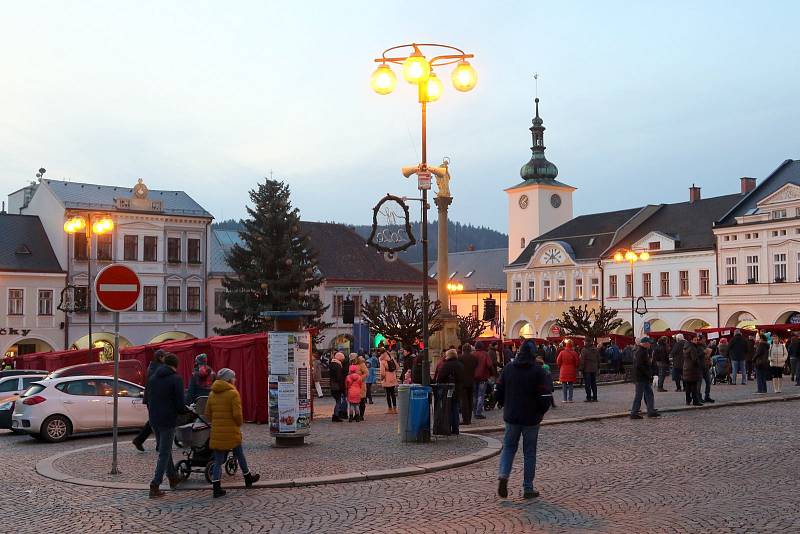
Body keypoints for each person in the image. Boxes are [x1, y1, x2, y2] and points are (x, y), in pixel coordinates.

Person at [495, 340, 552, 499]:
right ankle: (528, 487)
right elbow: (546, 395)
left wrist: (501, 402)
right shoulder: (538, 371)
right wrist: (541, 411)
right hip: (531, 418)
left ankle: (503, 475)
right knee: (529, 452)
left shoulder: (508, 369)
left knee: (508, 448)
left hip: (512, 415)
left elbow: (498, 389)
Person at [205, 368, 260, 498]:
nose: (235, 380)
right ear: (229, 379)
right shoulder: (233, 393)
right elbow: (237, 415)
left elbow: (207, 414)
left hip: (217, 432)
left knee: (218, 460)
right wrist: (238, 423)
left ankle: (216, 487)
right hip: (231, 431)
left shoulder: (212, 393)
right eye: (233, 377)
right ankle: (247, 478)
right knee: (239, 454)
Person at [146, 352, 189, 498]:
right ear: (176, 365)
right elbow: (179, 403)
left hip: (154, 419)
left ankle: (173, 477)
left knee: (165, 449)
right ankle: (155, 484)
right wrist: (185, 411)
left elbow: (149, 398)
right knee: (164, 452)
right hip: (168, 419)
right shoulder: (175, 379)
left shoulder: (153, 378)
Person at [132, 349, 165, 452]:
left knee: (154, 421)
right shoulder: (156, 369)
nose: (165, 359)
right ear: (160, 357)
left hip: (152, 399)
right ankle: (158, 444)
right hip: (154, 399)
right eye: (164, 356)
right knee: (156, 421)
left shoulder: (154, 367)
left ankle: (140, 440)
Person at [434, 348, 465, 435]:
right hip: (458, 390)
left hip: (448, 390)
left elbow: (440, 378)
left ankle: (447, 427)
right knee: (455, 409)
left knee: (447, 409)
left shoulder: (446, 365)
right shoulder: (460, 365)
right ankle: (456, 428)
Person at [630, 337, 659, 419]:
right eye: (649, 343)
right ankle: (634, 412)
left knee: (649, 394)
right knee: (639, 395)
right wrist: (648, 373)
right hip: (641, 377)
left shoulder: (643, 351)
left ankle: (651, 411)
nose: (650, 344)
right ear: (645, 343)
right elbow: (639, 365)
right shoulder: (641, 352)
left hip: (643, 377)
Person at [472, 341, 494, 420]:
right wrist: (491, 374)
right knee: (481, 395)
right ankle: (478, 412)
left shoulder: (473, 354)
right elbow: (489, 365)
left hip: (473, 377)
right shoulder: (485, 354)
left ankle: (474, 411)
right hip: (483, 377)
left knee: (474, 395)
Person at [458, 344, 478, 425]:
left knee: (464, 402)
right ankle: (469, 418)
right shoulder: (474, 358)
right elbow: (476, 366)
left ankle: (465, 419)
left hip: (462, 382)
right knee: (470, 401)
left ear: (463, 349)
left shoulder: (460, 358)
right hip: (471, 381)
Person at [682, 335, 705, 406]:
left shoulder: (686, 347)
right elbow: (694, 359)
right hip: (692, 369)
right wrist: (699, 364)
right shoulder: (692, 348)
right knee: (694, 386)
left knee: (688, 386)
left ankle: (688, 400)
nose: (696, 341)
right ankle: (695, 401)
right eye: (695, 340)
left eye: (697, 340)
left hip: (686, 368)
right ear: (691, 340)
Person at [380, 349, 399, 414]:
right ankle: (395, 409)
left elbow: (382, 372)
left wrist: (381, 378)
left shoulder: (382, 361)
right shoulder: (391, 358)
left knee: (388, 394)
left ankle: (389, 409)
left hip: (387, 378)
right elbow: (397, 367)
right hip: (393, 377)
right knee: (393, 394)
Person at [328, 352, 346, 422]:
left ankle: (336, 415)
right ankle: (335, 415)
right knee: (338, 401)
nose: (342, 361)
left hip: (332, 385)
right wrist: (342, 387)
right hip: (337, 386)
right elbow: (339, 378)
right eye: (342, 360)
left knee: (337, 401)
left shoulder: (332, 364)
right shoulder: (338, 366)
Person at [700, 339, 716, 404]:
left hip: (706, 366)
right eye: (703, 340)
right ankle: (699, 397)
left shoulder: (705, 346)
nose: (704, 341)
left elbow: (708, 355)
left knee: (708, 381)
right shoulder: (697, 347)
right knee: (699, 383)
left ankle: (707, 396)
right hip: (700, 367)